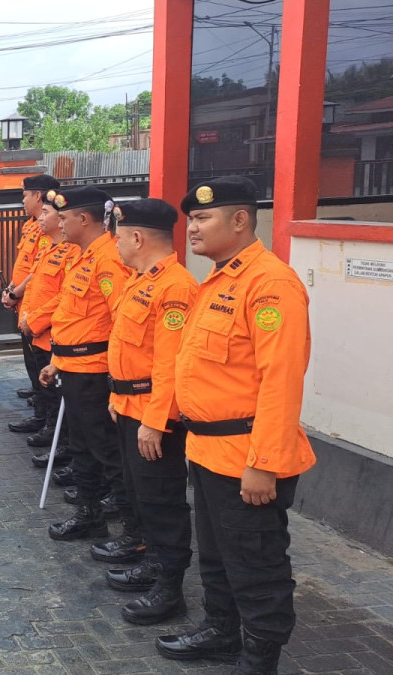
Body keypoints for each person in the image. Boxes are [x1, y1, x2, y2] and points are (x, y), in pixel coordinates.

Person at [155, 176, 315, 675]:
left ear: (241, 220)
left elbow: (280, 381)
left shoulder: (270, 285)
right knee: (218, 555)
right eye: (191, 219)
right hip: (207, 452)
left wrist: (264, 463)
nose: (192, 228)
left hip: (247, 457)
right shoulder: (218, 281)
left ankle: (260, 657)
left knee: (255, 563)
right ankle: (222, 631)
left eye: (203, 218)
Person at [103, 198, 198, 626]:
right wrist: (117, 397)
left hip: (153, 416)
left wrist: (155, 422)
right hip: (130, 406)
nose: (117, 246)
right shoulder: (140, 281)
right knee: (139, 493)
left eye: (120, 238)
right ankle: (152, 563)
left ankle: (169, 588)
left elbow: (170, 363)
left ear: (138, 238)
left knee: (162, 501)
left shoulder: (175, 287)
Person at [35, 186, 136, 548]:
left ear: (84, 218)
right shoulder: (83, 257)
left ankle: (131, 530)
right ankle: (89, 515)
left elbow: (120, 322)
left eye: (63, 218)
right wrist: (58, 361)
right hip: (74, 368)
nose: (59, 224)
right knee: (82, 448)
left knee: (106, 451)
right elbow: (75, 317)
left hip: (95, 372)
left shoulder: (108, 260)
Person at [13, 188, 78, 468]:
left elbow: (63, 297)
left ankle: (61, 442)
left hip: (51, 333)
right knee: (44, 387)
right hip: (35, 330)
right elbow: (35, 287)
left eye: (49, 214)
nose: (42, 218)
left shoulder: (71, 253)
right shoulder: (47, 248)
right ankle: (52, 431)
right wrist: (23, 311)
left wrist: (35, 320)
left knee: (57, 394)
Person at [4, 174, 62, 436]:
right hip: (28, 310)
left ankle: (48, 423)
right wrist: (11, 291)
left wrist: (16, 293)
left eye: (25, 195)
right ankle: (42, 416)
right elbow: (28, 267)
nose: (23, 200)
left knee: (44, 373)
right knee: (34, 366)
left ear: (38, 196)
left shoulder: (51, 237)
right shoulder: (34, 227)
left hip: (42, 319)